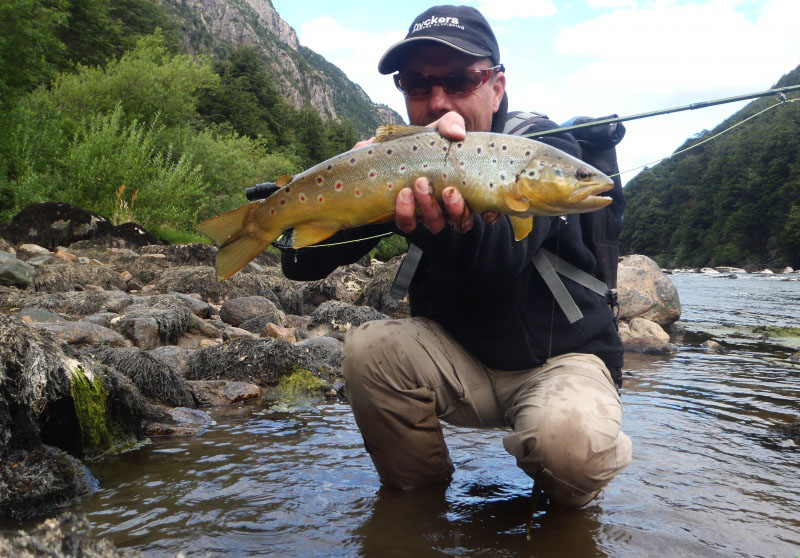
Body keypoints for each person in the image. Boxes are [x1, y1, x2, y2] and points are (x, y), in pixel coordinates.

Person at [281, 4, 632, 509]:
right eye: (416, 84)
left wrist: (438, 222)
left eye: (461, 80)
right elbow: (298, 265)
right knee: (369, 350)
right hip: (461, 365)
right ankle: (417, 512)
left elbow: (501, 257)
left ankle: (561, 525)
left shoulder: (538, 149)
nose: (437, 101)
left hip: (559, 363)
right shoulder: (406, 162)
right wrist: (355, 197)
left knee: (569, 449)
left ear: (496, 86)